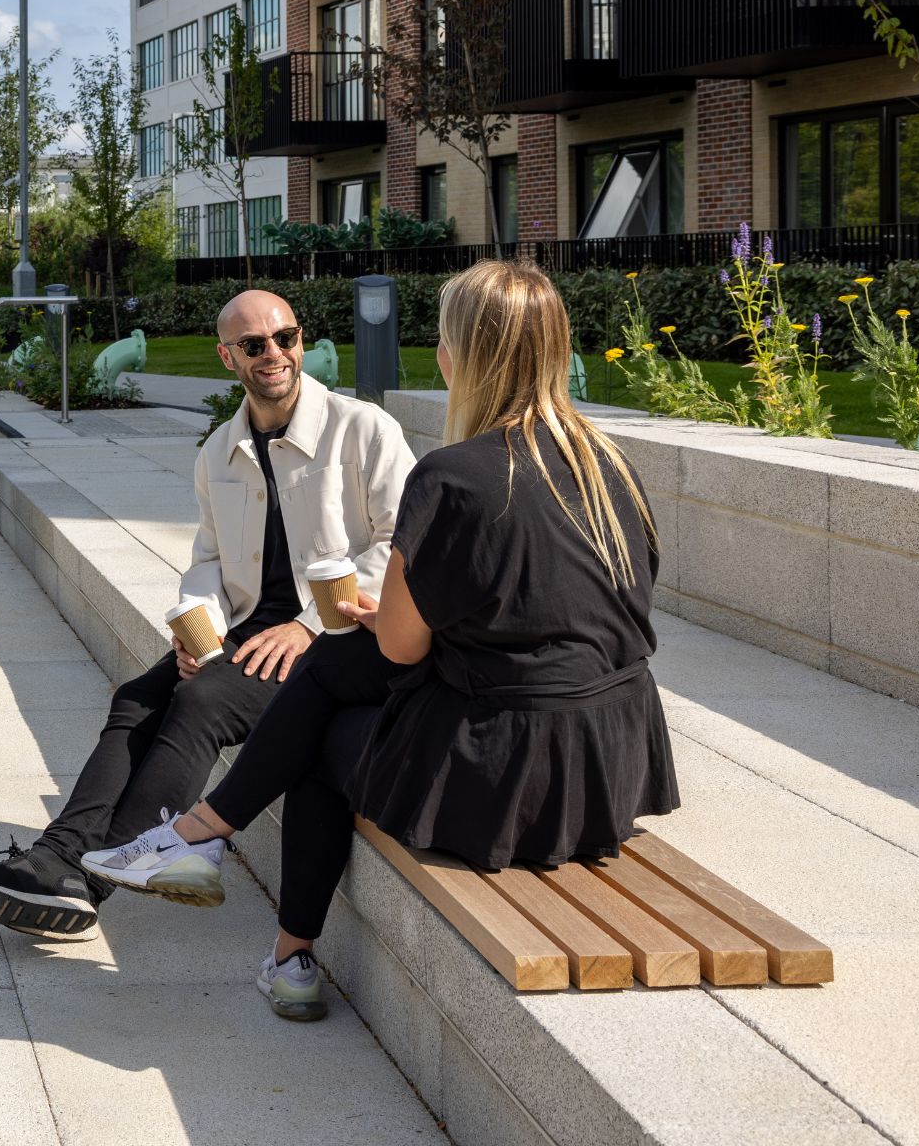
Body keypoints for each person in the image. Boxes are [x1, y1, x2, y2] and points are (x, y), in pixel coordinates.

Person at [80, 259, 680, 1022]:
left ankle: (266, 922)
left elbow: (398, 649)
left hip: (511, 780)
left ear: (458, 357)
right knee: (328, 669)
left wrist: (369, 614)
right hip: (612, 765)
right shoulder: (610, 464)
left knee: (321, 733)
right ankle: (215, 858)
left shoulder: (454, 476)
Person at [0, 289, 414, 938]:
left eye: (286, 337)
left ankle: (91, 878)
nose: (274, 353)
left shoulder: (363, 429)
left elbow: (403, 544)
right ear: (227, 358)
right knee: (139, 695)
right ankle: (58, 857)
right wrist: (197, 625)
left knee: (203, 703)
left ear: (300, 342)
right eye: (254, 345)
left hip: (334, 637)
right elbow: (209, 561)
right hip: (248, 629)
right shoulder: (219, 450)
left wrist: (304, 627)